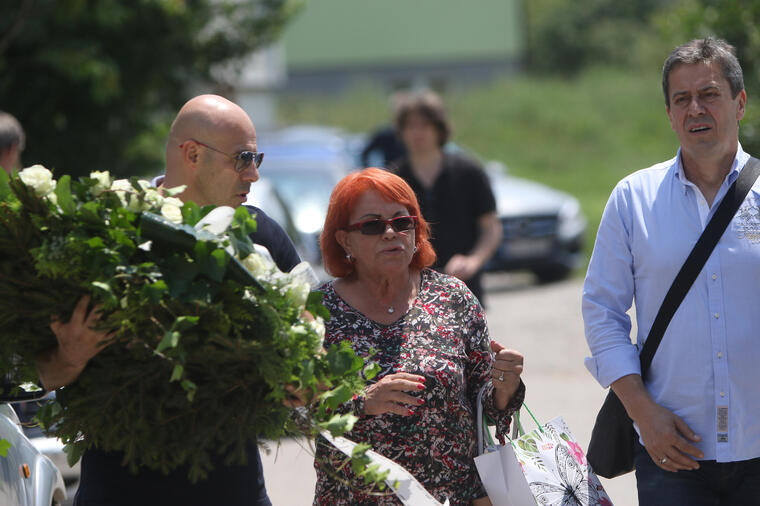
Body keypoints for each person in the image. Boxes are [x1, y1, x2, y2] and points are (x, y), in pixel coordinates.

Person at [36, 94, 301, 506]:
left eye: (257, 159)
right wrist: (70, 356)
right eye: (243, 158)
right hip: (118, 494)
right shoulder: (106, 235)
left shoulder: (261, 237)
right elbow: (40, 375)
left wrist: (295, 382)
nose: (253, 175)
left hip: (234, 493)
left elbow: (312, 364)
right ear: (192, 154)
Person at [583, 38, 760, 505]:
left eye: (709, 94)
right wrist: (642, 413)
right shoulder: (632, 199)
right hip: (671, 452)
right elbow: (603, 312)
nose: (695, 109)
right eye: (682, 99)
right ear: (668, 113)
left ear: (739, 103)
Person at [313, 168, 525, 505]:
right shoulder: (320, 311)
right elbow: (297, 410)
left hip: (451, 496)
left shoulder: (453, 297)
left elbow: (488, 408)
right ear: (344, 240)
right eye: (372, 225)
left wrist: (505, 383)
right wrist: (361, 402)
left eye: (402, 222)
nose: (390, 233)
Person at [390, 90, 501, 305]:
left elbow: (491, 227)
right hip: (410, 292)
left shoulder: (469, 171)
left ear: (439, 129)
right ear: (401, 132)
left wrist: (473, 260)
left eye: (424, 125)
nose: (417, 133)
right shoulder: (393, 179)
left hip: (465, 288)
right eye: (410, 126)